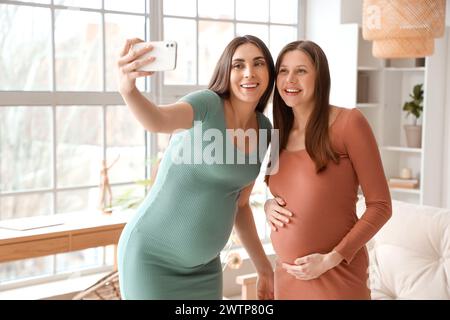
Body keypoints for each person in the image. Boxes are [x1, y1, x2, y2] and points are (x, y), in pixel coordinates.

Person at [116, 35, 275, 299]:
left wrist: (263, 267)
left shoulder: (265, 130)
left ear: (268, 72)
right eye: (239, 65)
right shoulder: (206, 105)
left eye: (258, 63)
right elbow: (157, 120)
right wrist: (128, 89)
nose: (249, 72)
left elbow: (242, 204)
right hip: (151, 260)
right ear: (227, 71)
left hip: (205, 270)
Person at [264, 40, 392, 300]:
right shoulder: (278, 132)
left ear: (319, 77)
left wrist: (332, 259)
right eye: (283, 71)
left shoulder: (349, 123)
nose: (290, 79)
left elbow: (381, 206)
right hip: (287, 280)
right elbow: (281, 190)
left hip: (337, 277)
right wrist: (268, 206)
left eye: (301, 71)